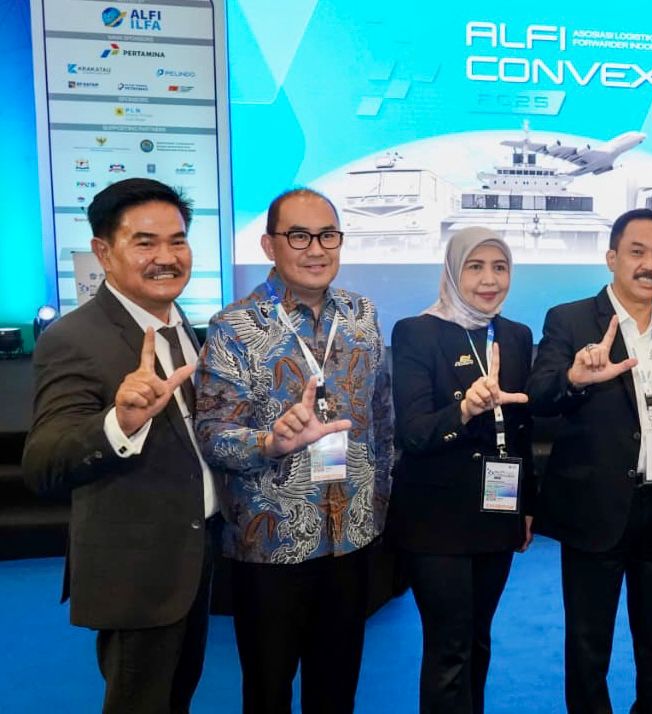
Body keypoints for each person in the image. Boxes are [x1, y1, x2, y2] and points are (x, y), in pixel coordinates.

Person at [22, 178, 218, 713]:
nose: (167, 257)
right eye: (145, 242)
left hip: (193, 554)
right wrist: (119, 423)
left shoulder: (180, 323)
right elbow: (43, 463)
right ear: (104, 252)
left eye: (177, 241)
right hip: (138, 569)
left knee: (177, 696)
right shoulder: (74, 338)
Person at [194, 188, 393, 713]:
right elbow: (212, 433)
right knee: (268, 691)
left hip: (351, 536)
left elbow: (382, 418)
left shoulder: (362, 315)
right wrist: (270, 442)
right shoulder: (234, 327)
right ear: (269, 245)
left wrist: (379, 509)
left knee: (337, 689)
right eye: (299, 236)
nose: (316, 249)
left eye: (328, 235)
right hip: (271, 542)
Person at [527, 208, 652, 714]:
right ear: (611, 258)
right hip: (595, 508)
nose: (650, 265)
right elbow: (539, 395)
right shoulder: (569, 319)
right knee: (589, 646)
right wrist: (574, 379)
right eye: (637, 252)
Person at [390, 227, 535, 713]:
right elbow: (413, 432)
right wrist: (465, 409)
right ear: (453, 271)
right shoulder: (416, 332)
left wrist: (526, 505)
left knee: (478, 639)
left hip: (497, 511)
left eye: (500, 267)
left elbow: (521, 429)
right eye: (475, 267)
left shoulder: (516, 335)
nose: (489, 280)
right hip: (436, 520)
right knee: (448, 647)